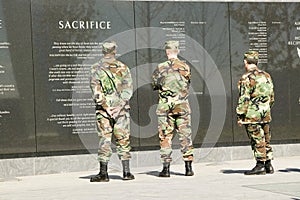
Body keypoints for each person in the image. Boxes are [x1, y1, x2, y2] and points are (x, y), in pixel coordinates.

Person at [90, 41, 134, 182]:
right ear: (115, 51)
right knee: (123, 139)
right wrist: (120, 105)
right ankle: (126, 172)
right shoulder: (123, 67)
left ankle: (103, 173)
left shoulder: (96, 68)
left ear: (103, 51)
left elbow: (96, 90)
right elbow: (128, 90)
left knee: (104, 139)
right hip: (120, 110)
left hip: (104, 111)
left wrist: (105, 106)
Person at [152, 40, 194, 177]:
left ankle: (166, 169)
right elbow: (188, 82)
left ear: (166, 51)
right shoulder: (185, 67)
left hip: (165, 107)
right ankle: (188, 168)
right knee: (185, 136)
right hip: (182, 106)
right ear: (178, 51)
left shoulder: (160, 67)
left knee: (165, 136)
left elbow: (154, 84)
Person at [236, 51, 275, 175]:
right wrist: (267, 108)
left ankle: (260, 165)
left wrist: (240, 115)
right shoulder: (267, 76)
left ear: (245, 62)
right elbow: (271, 96)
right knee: (266, 139)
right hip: (265, 113)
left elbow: (244, 98)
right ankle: (268, 164)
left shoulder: (246, 77)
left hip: (252, 115)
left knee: (256, 139)